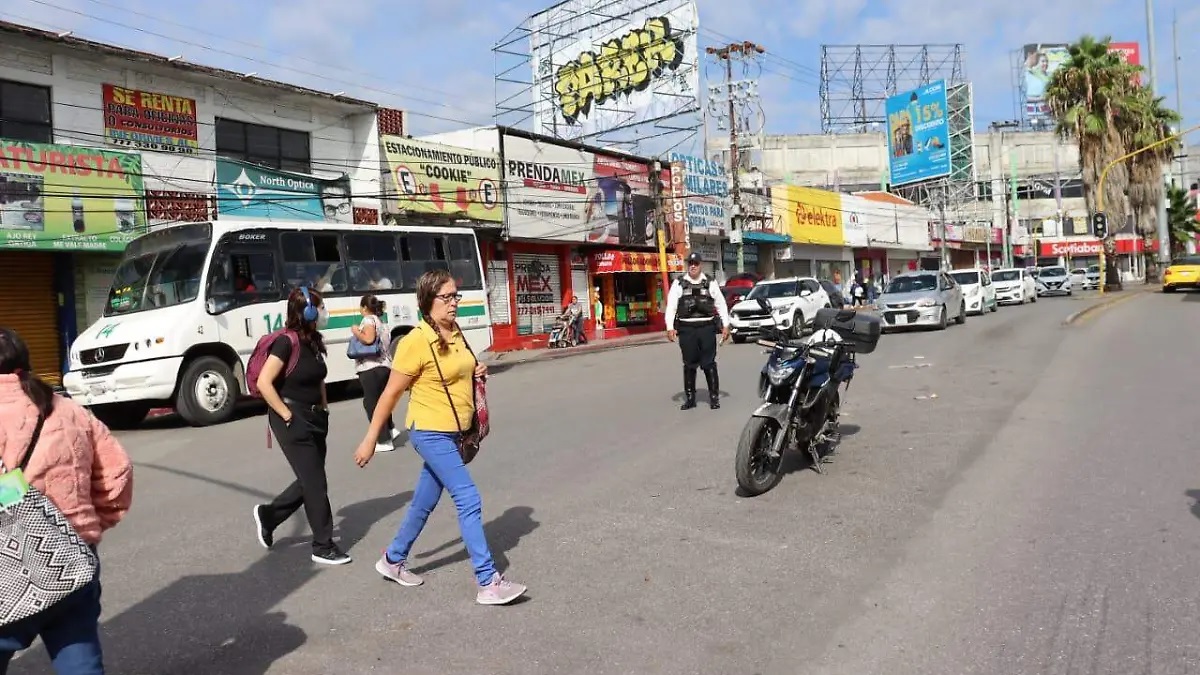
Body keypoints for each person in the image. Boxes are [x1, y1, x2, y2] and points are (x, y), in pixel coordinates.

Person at [354, 269, 527, 606]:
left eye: (455, 296)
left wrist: (477, 371)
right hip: (429, 431)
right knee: (468, 497)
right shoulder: (415, 342)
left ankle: (392, 559)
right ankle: (487, 581)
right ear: (427, 301)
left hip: (455, 433)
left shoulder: (455, 331)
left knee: (423, 502)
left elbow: (462, 368)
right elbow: (388, 395)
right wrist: (370, 439)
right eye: (446, 297)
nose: (454, 303)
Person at [0, 327, 133, 673]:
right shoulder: (71, 411)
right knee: (81, 664)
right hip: (72, 561)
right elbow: (118, 474)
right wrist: (87, 525)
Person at [252, 287, 350, 566]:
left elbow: (318, 377)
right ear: (306, 310)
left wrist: (325, 406)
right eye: (320, 307)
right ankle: (323, 545)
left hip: (315, 417)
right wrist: (286, 415)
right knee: (316, 483)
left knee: (310, 478)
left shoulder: (312, 340)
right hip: (291, 416)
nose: (324, 312)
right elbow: (264, 383)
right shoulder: (286, 342)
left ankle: (270, 515)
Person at [665, 252, 730, 410]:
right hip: (687, 329)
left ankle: (714, 398)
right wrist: (669, 327)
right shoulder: (679, 283)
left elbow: (721, 304)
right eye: (690, 263)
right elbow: (672, 306)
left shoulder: (710, 282)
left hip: (707, 328)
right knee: (689, 364)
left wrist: (726, 325)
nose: (693, 265)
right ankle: (690, 399)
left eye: (695, 263)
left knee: (709, 363)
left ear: (700, 264)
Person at [350, 294, 400, 453]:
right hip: (384, 366)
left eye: (361, 307)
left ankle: (383, 440)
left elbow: (369, 339)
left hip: (371, 368)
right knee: (382, 401)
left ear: (365, 308)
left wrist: (356, 331)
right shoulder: (381, 322)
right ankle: (391, 430)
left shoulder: (368, 320)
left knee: (371, 404)